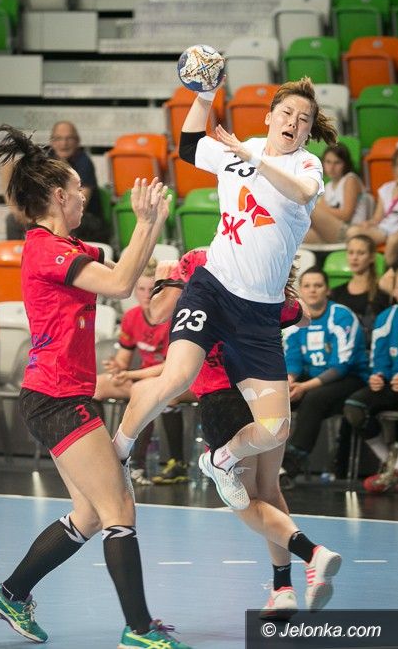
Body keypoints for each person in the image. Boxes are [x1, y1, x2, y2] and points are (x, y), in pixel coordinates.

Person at [0, 125, 192, 649]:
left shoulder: (69, 246)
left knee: (93, 514)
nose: (83, 197)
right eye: (77, 189)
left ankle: (11, 593)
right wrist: (146, 223)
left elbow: (128, 281)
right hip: (55, 398)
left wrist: (156, 241)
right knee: (120, 509)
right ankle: (139, 630)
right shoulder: (45, 249)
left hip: (62, 395)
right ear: (58, 196)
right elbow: (119, 284)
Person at [113, 75, 338, 508]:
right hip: (213, 288)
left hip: (259, 313)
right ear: (269, 117)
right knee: (176, 377)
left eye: (304, 119)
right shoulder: (241, 149)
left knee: (276, 429)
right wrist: (203, 96)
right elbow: (189, 146)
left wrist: (254, 160)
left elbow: (302, 193)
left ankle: (221, 459)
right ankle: (118, 451)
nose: (293, 122)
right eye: (287, 113)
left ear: (309, 130)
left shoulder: (306, 165)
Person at [150, 249, 342, 615]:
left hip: (223, 396)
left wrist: (167, 279)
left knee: (244, 504)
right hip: (266, 394)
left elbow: (158, 313)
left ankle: (313, 553)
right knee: (269, 491)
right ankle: (283, 588)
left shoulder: (200, 261)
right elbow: (304, 316)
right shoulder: (258, 278)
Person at [280, 267, 368, 485]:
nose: (312, 290)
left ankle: (291, 464)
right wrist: (290, 382)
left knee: (313, 399)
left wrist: (304, 387)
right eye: (307, 286)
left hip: (350, 379)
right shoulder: (295, 319)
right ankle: (260, 457)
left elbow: (341, 366)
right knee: (276, 397)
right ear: (300, 290)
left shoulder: (341, 316)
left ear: (327, 290)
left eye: (318, 285)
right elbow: (293, 360)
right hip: (310, 379)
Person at [94, 258, 172, 486]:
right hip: (140, 379)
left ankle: (135, 464)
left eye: (152, 289)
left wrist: (130, 375)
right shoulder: (131, 317)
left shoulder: (171, 317)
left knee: (143, 392)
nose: (146, 294)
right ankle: (101, 454)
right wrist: (116, 367)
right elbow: (123, 359)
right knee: (96, 386)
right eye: (141, 289)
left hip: (167, 381)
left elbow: (171, 368)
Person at [344, 264, 398, 494]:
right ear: (394, 291)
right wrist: (378, 376)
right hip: (393, 384)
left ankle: (397, 471)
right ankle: (390, 464)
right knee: (354, 407)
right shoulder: (385, 318)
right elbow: (379, 359)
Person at [2, 120, 110, 243]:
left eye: (69, 138)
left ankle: (61, 253)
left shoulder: (84, 162)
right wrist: (19, 211)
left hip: (84, 216)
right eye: (59, 138)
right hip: (53, 213)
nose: (64, 143)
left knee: (65, 223)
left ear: (77, 141)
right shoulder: (46, 158)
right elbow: (9, 168)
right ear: (52, 141)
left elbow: (79, 204)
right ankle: (22, 253)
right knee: (13, 220)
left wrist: (45, 218)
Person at [347, 148, 398, 266]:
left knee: (393, 240)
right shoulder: (386, 188)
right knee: (352, 232)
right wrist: (369, 223)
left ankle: (389, 274)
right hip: (385, 228)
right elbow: (378, 218)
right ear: (394, 168)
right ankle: (364, 269)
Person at [330, 234, 390, 346]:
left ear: (371, 257)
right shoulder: (336, 292)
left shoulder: (381, 292)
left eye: (361, 253)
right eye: (351, 252)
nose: (354, 258)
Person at [304, 143, 368, 245]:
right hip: (332, 230)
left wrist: (321, 207)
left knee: (307, 204)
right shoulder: (328, 186)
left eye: (337, 162)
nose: (332, 167)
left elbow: (346, 215)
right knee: (295, 238)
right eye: (328, 162)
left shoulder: (350, 179)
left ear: (346, 164)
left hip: (351, 232)